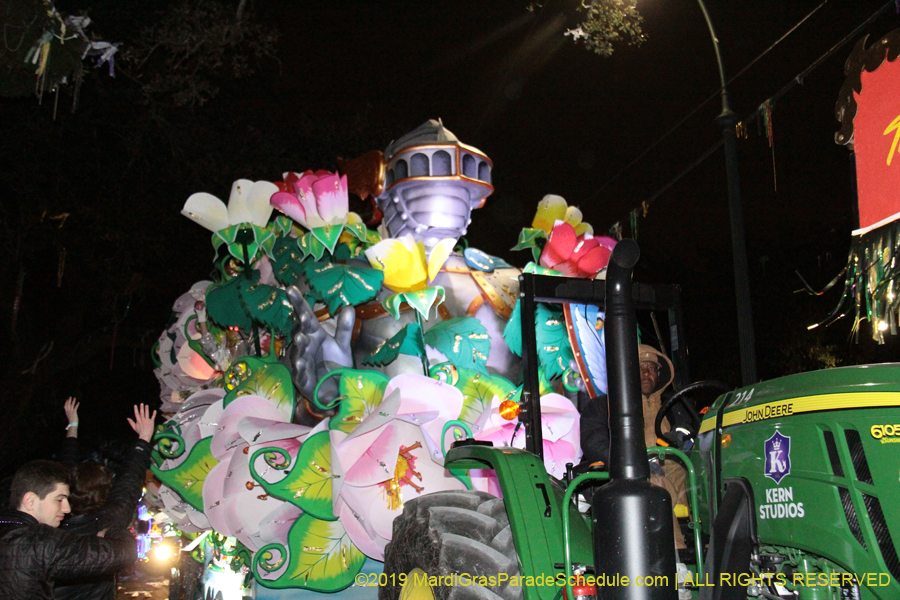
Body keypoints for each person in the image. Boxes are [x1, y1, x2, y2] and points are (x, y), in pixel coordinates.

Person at [579, 343, 689, 549]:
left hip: (673, 472)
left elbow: (692, 436)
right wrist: (636, 463)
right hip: (626, 477)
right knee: (653, 484)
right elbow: (594, 443)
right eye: (639, 368)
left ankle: (724, 558)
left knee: (709, 480)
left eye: (652, 368)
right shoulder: (603, 407)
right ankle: (674, 558)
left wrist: (684, 437)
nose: (646, 374)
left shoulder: (675, 407)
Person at [55, 401, 156, 600]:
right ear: (105, 494)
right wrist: (143, 438)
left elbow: (65, 464)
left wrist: (73, 425)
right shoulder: (108, 523)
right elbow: (129, 481)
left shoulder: (52, 526)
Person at [0, 460, 137, 599]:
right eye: (59, 500)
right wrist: (111, 531)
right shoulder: (40, 542)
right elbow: (124, 553)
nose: (67, 509)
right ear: (30, 501)